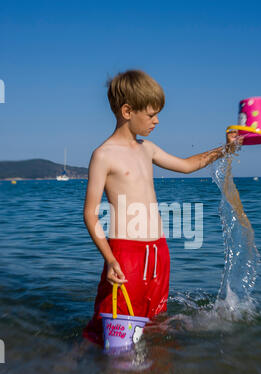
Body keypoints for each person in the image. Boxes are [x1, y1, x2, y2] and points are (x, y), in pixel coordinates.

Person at [82, 69, 242, 346]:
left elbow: (188, 165)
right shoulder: (103, 155)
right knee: (111, 325)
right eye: (151, 114)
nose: (156, 121)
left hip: (158, 253)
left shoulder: (148, 149)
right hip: (125, 254)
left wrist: (225, 149)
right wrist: (110, 260)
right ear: (127, 110)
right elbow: (90, 213)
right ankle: (89, 373)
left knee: (155, 324)